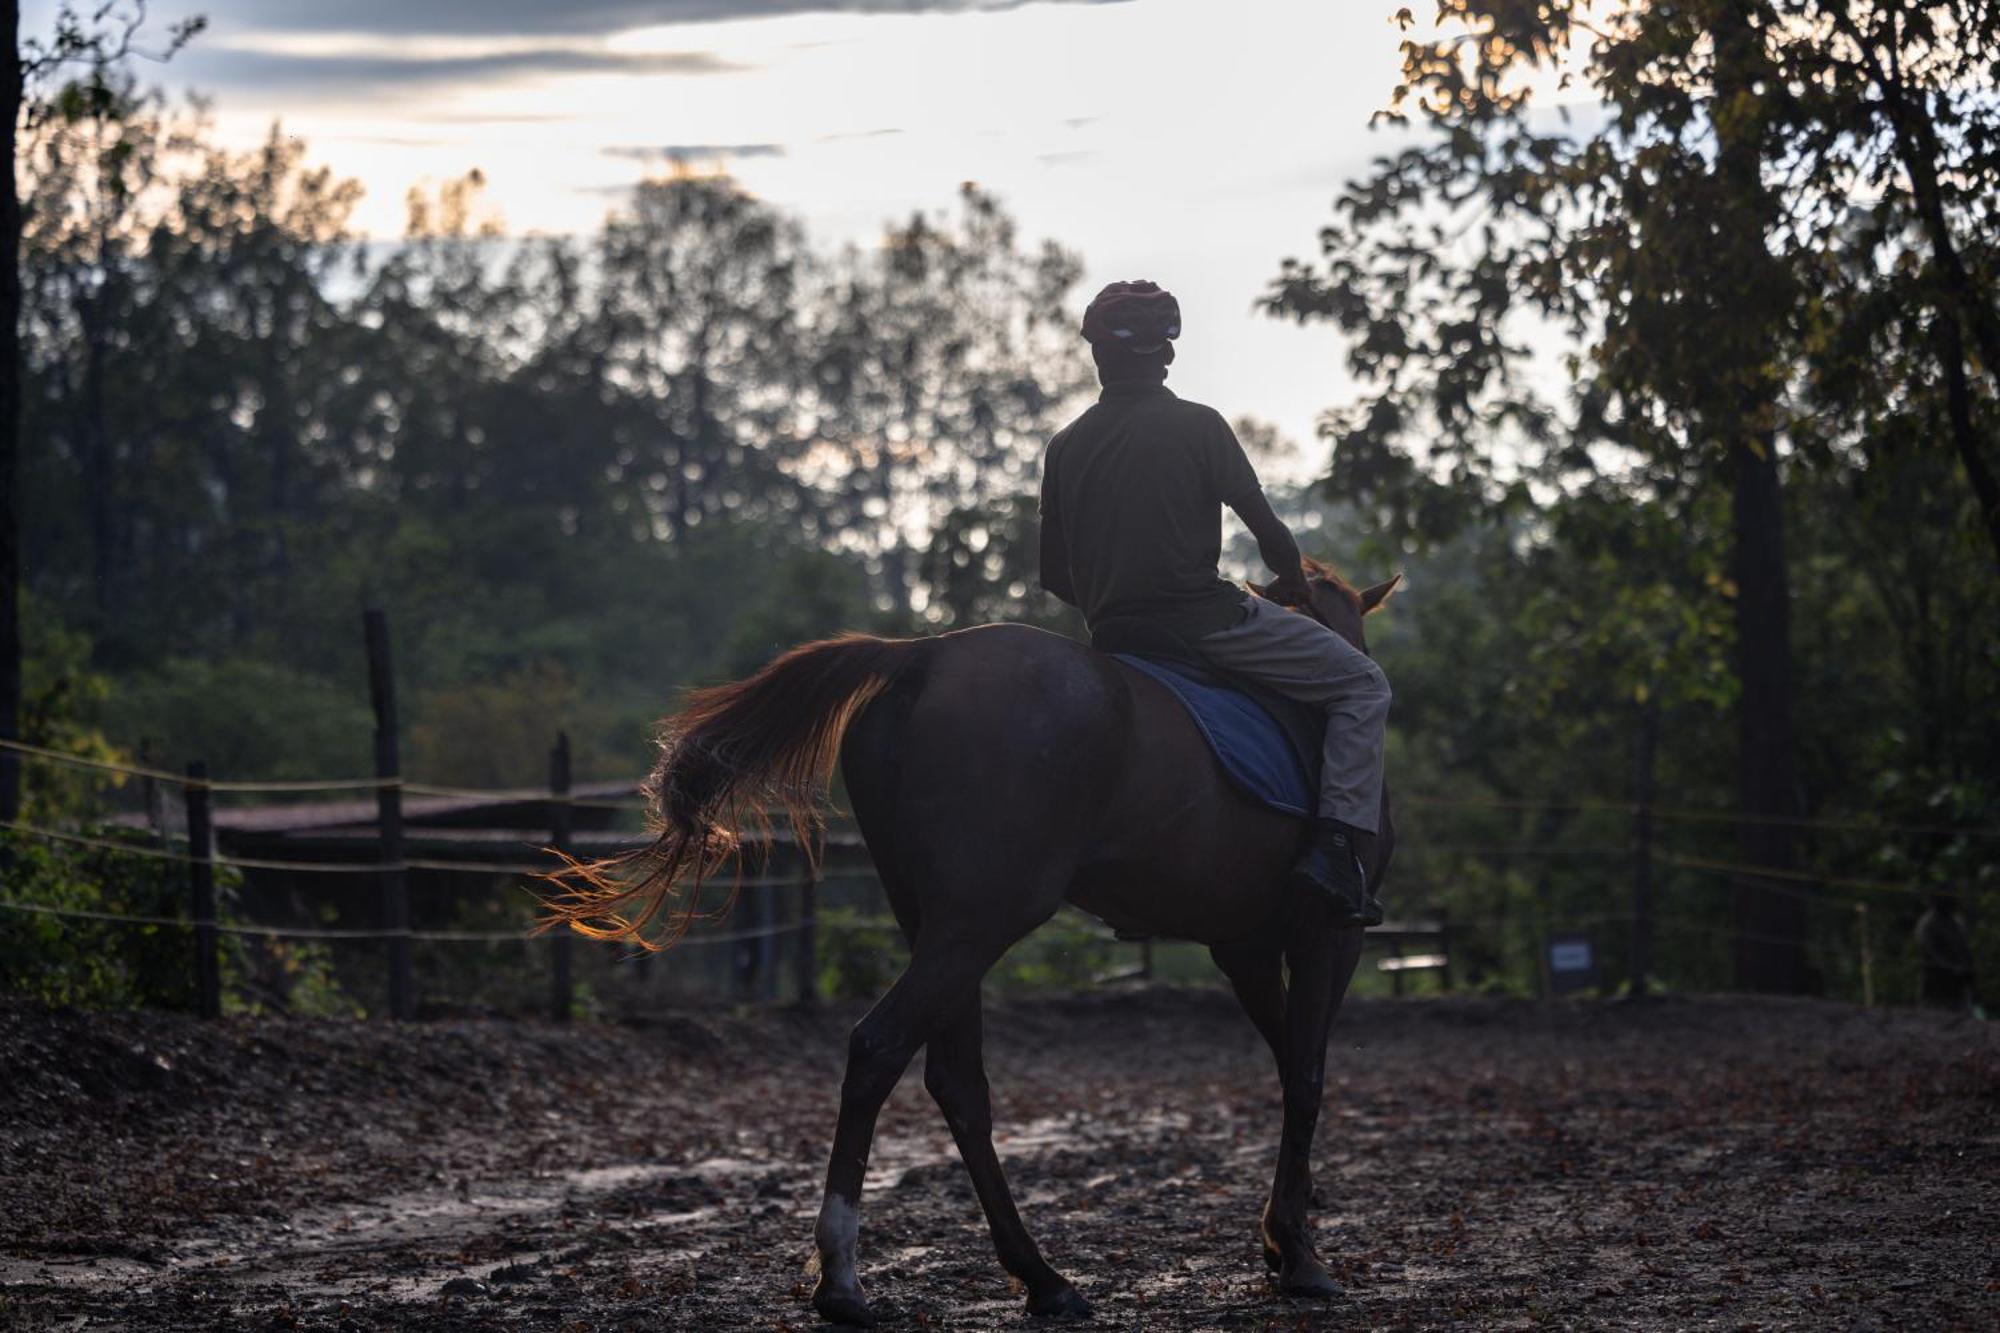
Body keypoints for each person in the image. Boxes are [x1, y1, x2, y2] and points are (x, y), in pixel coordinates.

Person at [1037, 279, 1392, 926]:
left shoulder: (1064, 447)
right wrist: (1292, 582)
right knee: (1362, 683)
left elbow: (1054, 577)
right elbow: (1271, 533)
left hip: (1116, 636)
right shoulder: (1199, 426)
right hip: (1206, 622)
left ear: (1098, 355)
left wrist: (1110, 597)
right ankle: (1337, 847)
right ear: (1165, 356)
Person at [1915, 892, 1976, 1012]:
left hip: (1958, 986)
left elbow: (1964, 948)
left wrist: (1969, 968)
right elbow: (1931, 952)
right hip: (1936, 985)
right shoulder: (1928, 925)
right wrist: (1952, 967)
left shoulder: (1956, 922)